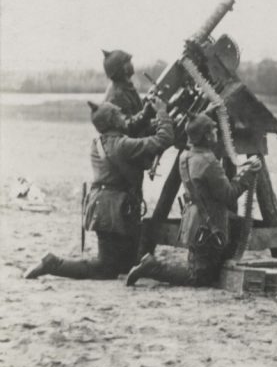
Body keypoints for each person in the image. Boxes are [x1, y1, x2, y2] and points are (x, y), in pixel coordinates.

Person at [24, 98, 173, 280]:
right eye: (119, 114)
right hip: (112, 211)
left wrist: (146, 114)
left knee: (126, 265)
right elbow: (164, 139)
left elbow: (128, 128)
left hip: (104, 207)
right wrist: (163, 113)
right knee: (105, 269)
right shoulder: (122, 145)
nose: (124, 117)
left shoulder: (101, 142)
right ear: (113, 121)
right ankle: (53, 264)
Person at [125, 114, 261, 287]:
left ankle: (151, 265)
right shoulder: (209, 162)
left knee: (200, 266)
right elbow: (228, 194)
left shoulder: (186, 156)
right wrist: (248, 175)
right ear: (206, 135)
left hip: (195, 220)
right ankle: (151, 267)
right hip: (209, 223)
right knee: (198, 278)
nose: (216, 131)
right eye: (212, 130)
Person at [102, 49, 154, 137]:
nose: (132, 64)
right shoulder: (117, 95)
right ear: (123, 68)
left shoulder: (125, 87)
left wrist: (147, 102)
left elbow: (135, 109)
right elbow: (127, 127)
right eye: (129, 62)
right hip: (130, 144)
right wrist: (145, 114)